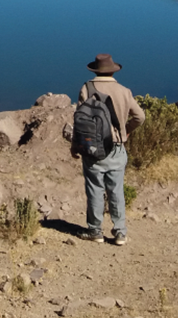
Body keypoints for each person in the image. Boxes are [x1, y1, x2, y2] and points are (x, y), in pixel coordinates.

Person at [71, 53, 145, 246]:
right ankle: (120, 233)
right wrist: (125, 132)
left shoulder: (87, 88)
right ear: (113, 71)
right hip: (117, 149)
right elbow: (140, 117)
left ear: (95, 70)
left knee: (95, 189)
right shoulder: (124, 91)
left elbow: (80, 121)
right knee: (116, 190)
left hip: (92, 148)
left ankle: (95, 230)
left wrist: (75, 146)